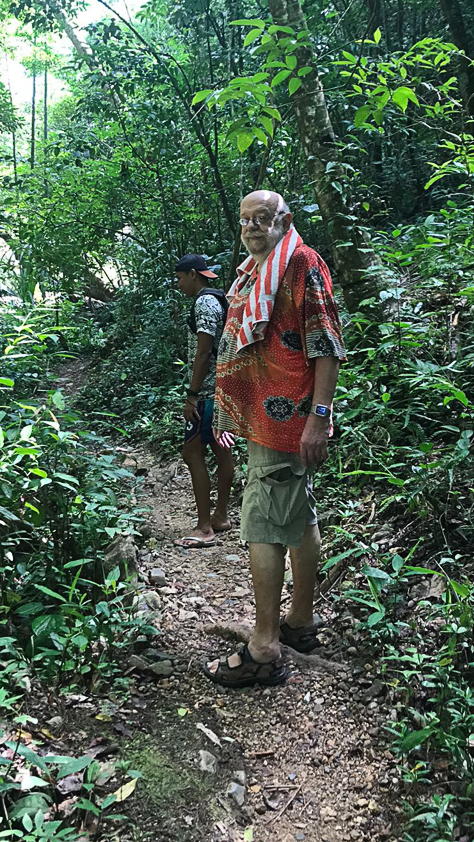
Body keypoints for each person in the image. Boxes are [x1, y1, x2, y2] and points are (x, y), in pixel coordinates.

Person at [203, 192, 346, 687]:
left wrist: (319, 418)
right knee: (300, 513)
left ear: (285, 220)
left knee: (262, 522)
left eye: (262, 219)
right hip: (265, 418)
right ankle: (300, 622)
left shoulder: (300, 263)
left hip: (286, 422)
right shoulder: (258, 268)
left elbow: (327, 344)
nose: (251, 227)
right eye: (245, 220)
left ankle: (264, 648)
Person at [173, 254, 235, 548]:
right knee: (222, 452)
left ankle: (204, 527)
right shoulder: (217, 298)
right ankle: (220, 516)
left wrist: (192, 394)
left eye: (179, 278)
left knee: (191, 453)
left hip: (208, 394)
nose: (178, 284)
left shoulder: (204, 302)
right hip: (223, 390)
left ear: (193, 274)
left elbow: (204, 351)